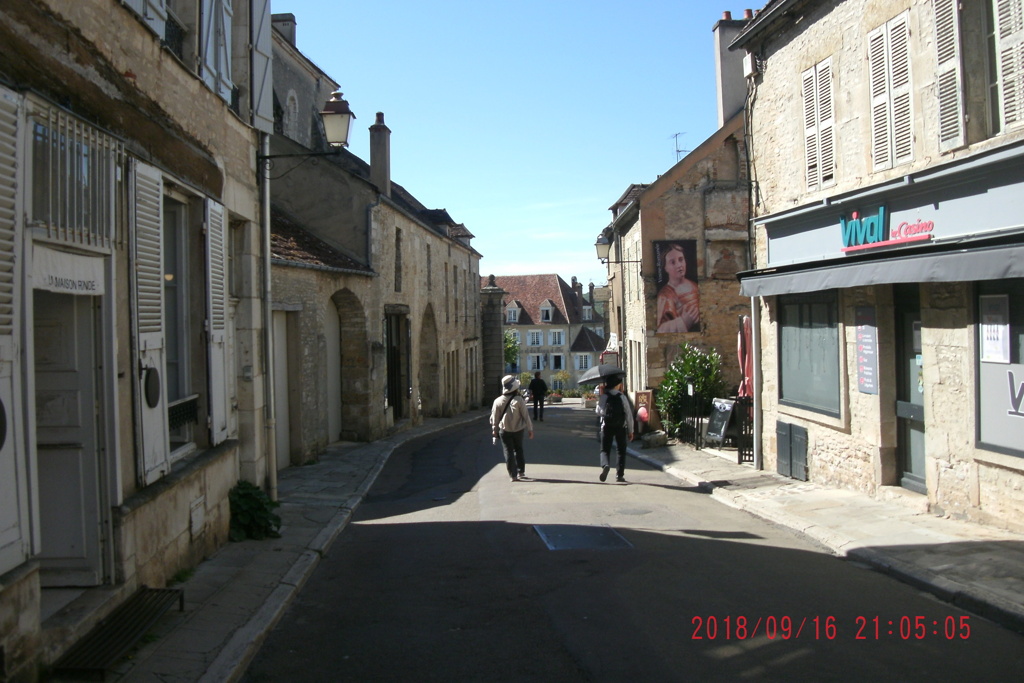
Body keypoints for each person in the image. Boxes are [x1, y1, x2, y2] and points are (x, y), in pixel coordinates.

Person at [490, 374, 535, 482]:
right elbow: (526, 416)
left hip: (504, 430)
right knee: (519, 449)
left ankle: (513, 475)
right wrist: (530, 429)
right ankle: (521, 471)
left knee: (508, 451)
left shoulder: (497, 401)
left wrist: (494, 430)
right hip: (518, 429)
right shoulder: (519, 400)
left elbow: (494, 418)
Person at [596, 375, 634, 483]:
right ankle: (619, 475)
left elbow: (598, 411)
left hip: (606, 426)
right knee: (621, 450)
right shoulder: (622, 397)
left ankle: (605, 465)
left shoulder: (604, 396)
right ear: (617, 385)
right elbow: (628, 414)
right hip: (620, 426)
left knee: (604, 449)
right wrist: (631, 431)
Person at [656, 242, 700, 333]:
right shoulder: (665, 296)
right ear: (665, 268)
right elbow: (660, 329)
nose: (679, 265)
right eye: (673, 262)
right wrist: (684, 321)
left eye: (681, 260)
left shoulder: (695, 286)